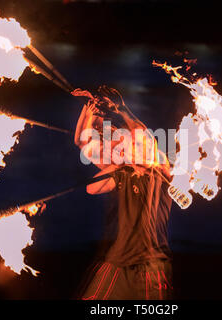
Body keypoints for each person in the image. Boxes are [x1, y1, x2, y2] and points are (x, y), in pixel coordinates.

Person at [73, 87, 173, 300]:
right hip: (117, 262)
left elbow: (141, 133)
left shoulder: (160, 168)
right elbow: (84, 147)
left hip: (150, 265)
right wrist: (90, 108)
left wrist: (122, 109)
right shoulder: (121, 172)